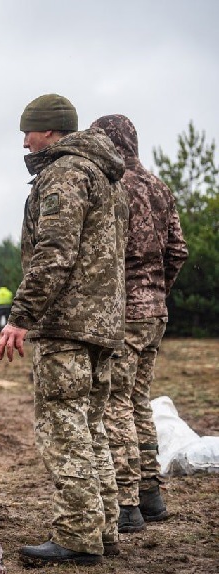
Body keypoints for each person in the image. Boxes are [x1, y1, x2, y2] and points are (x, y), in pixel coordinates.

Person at [0, 94, 127, 565]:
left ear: (49, 131)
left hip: (67, 326)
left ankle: (76, 535)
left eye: (28, 131)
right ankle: (103, 528)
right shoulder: (106, 176)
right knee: (91, 428)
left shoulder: (65, 174)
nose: (24, 140)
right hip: (100, 325)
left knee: (63, 428)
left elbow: (54, 252)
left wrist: (21, 317)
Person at [91, 114, 188, 533]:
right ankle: (151, 494)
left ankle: (127, 502)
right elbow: (179, 250)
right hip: (157, 313)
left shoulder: (115, 187)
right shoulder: (160, 187)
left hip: (125, 313)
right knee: (139, 401)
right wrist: (158, 288)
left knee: (114, 402)